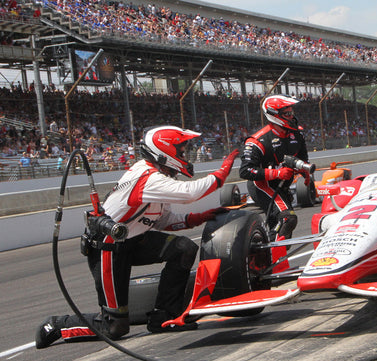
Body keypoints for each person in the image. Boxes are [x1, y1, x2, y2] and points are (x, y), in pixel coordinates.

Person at [35, 126, 239, 349]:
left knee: (183, 248)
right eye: (181, 151)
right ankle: (56, 325)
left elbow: (161, 220)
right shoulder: (148, 177)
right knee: (114, 326)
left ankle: (164, 316)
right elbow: (190, 193)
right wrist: (222, 173)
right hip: (107, 249)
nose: (184, 156)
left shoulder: (158, 176)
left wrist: (199, 217)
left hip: (133, 240)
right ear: (165, 153)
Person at [239, 94, 310, 272]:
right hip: (263, 186)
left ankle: (267, 263)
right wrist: (276, 172)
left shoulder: (297, 135)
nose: (291, 116)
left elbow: (303, 159)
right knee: (288, 218)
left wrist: (305, 173)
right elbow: (246, 171)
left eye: (291, 112)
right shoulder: (257, 140)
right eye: (286, 113)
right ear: (273, 114)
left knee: (280, 227)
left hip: (283, 186)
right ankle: (272, 264)